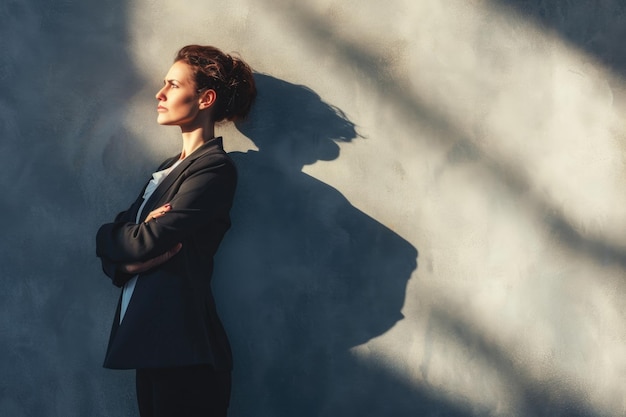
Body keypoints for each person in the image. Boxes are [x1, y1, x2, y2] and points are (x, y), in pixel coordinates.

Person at [96, 44, 256, 417]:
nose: (159, 93)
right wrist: (124, 260)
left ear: (205, 98)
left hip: (186, 352)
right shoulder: (166, 170)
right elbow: (121, 243)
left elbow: (145, 240)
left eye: (172, 84)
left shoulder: (214, 169)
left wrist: (122, 239)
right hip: (152, 347)